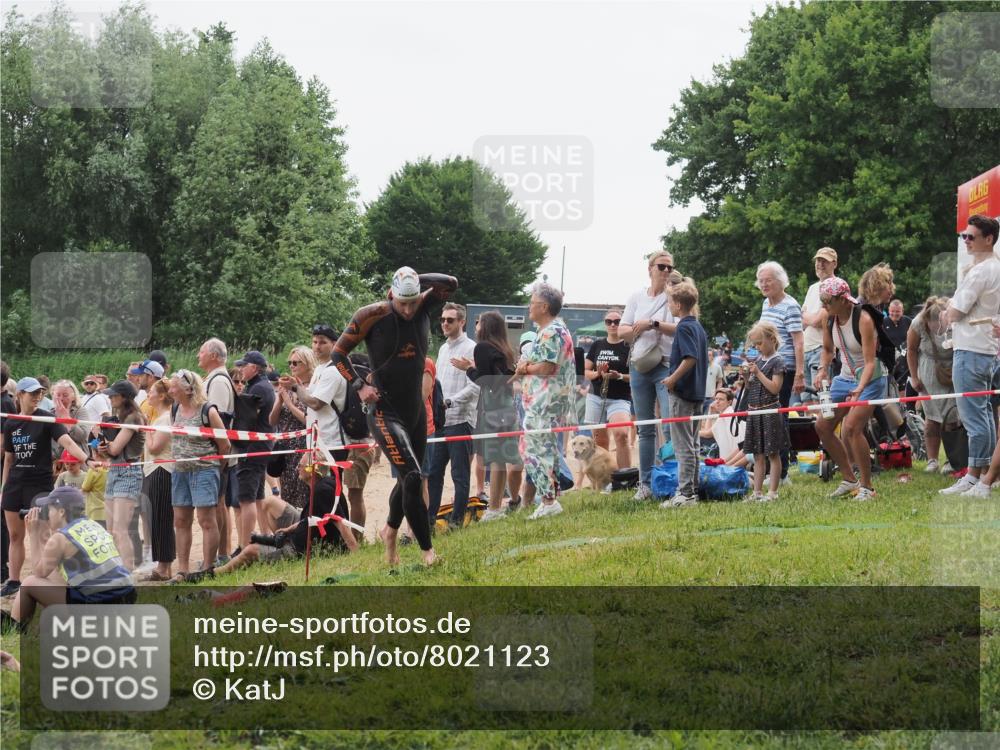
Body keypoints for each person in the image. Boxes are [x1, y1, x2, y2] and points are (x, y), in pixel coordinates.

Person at [332, 266, 457, 567]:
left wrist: (416, 278)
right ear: (391, 295)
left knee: (407, 480)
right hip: (385, 412)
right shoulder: (371, 314)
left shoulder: (425, 304)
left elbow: (451, 283)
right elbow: (338, 354)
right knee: (413, 475)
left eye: (413, 301)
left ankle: (390, 530)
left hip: (414, 413)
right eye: (402, 302)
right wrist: (359, 385)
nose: (408, 308)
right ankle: (427, 551)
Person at [1, 486, 134, 634]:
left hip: (99, 606)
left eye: (49, 509)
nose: (46, 514)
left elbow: (39, 572)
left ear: (61, 511)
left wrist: (33, 533)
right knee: (56, 574)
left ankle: (14, 630)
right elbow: (52, 568)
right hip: (124, 599)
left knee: (29, 583)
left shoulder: (61, 538)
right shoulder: (93, 525)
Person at [214, 455, 358, 575]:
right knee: (271, 503)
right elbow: (312, 518)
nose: (297, 469)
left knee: (251, 550)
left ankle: (216, 573)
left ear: (312, 469)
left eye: (301, 466)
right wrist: (288, 530)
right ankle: (274, 545)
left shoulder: (322, 491)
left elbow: (340, 522)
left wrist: (356, 557)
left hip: (301, 549)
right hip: (305, 536)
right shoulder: (323, 484)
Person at [940, 214, 1000, 497]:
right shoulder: (993, 268)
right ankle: (984, 474)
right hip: (983, 349)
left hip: (972, 350)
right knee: (984, 414)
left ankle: (975, 477)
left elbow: (956, 311)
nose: (966, 241)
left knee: (974, 417)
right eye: (964, 236)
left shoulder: (980, 271)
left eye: (971, 237)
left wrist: (948, 311)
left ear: (988, 239)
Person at [812, 278, 886, 501]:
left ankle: (867, 487)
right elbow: (827, 349)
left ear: (844, 300)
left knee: (852, 427)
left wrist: (860, 388)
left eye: (828, 301)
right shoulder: (829, 318)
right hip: (844, 378)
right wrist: (823, 369)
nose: (824, 305)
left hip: (870, 379)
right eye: (822, 301)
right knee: (822, 426)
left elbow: (870, 362)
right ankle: (848, 479)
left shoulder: (863, 319)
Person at [511, 282, 576, 519]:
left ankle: (549, 500)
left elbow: (548, 367)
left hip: (544, 401)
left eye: (533, 303)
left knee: (534, 448)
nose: (529, 307)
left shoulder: (551, 331)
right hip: (546, 400)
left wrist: (525, 367)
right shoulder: (556, 329)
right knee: (543, 448)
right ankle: (549, 498)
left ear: (545, 307)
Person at [451, 310, 523, 521]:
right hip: (507, 407)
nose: (476, 326)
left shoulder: (482, 347)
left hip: (492, 409)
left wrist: (468, 369)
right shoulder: (505, 349)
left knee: (496, 461)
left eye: (478, 322)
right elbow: (502, 377)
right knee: (506, 459)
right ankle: (506, 502)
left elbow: (487, 382)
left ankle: (494, 509)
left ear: (486, 326)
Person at [619, 251, 678, 500]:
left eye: (669, 267)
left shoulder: (674, 296)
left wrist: (652, 324)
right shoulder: (636, 297)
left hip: (665, 365)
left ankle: (673, 479)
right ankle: (645, 484)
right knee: (645, 428)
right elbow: (622, 329)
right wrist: (638, 328)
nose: (666, 271)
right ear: (650, 269)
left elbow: (681, 327)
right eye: (661, 266)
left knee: (671, 422)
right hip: (640, 366)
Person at [168, 369, 231, 581]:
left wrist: (215, 468)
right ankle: (182, 570)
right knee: (180, 520)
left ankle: (207, 567)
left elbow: (225, 444)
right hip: (180, 472)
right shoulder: (175, 408)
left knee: (206, 520)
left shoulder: (208, 411)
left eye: (174, 385)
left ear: (187, 388)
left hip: (204, 470)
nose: (170, 389)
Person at [428, 303, 479, 528]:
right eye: (442, 320)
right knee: (433, 474)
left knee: (460, 475)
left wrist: (450, 402)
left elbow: (476, 386)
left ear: (462, 322)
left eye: (450, 320)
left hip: (460, 420)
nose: (445, 324)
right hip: (440, 422)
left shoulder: (472, 348)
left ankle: (457, 523)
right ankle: (428, 522)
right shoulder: (442, 349)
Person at [660, 281, 708, 507]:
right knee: (693, 444)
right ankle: (693, 490)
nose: (669, 306)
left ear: (678, 304)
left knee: (683, 445)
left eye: (670, 301)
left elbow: (690, 358)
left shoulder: (685, 327)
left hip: (684, 393)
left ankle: (686, 492)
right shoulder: (697, 326)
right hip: (697, 392)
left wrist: (672, 379)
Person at [756, 260, 804, 481]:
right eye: (761, 281)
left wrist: (801, 373)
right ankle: (771, 469)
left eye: (768, 280)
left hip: (784, 369)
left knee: (778, 418)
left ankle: (782, 472)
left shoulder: (790, 305)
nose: (764, 284)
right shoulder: (766, 304)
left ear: (780, 281)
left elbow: (798, 341)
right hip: (767, 367)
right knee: (767, 418)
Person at [96, 380, 146, 570]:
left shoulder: (134, 417)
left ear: (124, 397)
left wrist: (106, 447)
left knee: (120, 530)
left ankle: (128, 571)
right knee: (111, 530)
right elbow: (112, 451)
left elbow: (116, 448)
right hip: (116, 470)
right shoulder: (125, 418)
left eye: (114, 395)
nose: (110, 398)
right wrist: (104, 449)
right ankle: (117, 570)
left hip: (128, 472)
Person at [198, 337, 238, 562]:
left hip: (217, 453)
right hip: (215, 453)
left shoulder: (219, 381)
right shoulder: (214, 378)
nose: (198, 356)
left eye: (202, 352)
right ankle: (222, 553)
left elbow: (219, 420)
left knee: (218, 504)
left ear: (213, 355)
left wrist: (216, 454)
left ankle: (221, 553)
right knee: (218, 504)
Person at [739, 322, 788, 502]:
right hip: (755, 412)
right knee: (757, 454)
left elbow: (775, 388)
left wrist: (758, 373)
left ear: (772, 340)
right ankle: (757, 492)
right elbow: (752, 387)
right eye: (755, 344)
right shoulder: (758, 361)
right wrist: (746, 377)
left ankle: (773, 492)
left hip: (769, 412)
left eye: (759, 343)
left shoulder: (778, 361)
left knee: (773, 453)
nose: (757, 348)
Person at [906, 296, 955, 474]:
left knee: (953, 418)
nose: (937, 328)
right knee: (932, 418)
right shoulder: (917, 323)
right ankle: (932, 460)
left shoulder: (954, 317)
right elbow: (911, 350)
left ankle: (952, 459)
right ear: (927, 320)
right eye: (934, 324)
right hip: (929, 373)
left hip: (952, 371)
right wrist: (914, 377)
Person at [234, 351, 276, 549]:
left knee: (246, 500)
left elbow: (246, 421)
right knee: (257, 497)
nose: (241, 369)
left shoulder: (258, 388)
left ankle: (245, 546)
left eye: (244, 365)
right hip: (261, 446)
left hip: (252, 447)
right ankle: (264, 537)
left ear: (255, 368)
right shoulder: (264, 385)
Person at [582, 308, 632, 470]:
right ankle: (605, 479)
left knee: (621, 435)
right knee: (600, 441)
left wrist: (618, 376)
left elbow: (637, 377)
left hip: (620, 397)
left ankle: (625, 477)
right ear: (605, 324)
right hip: (596, 397)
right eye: (609, 322)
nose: (612, 325)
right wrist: (599, 373)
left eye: (617, 322)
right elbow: (585, 371)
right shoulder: (597, 344)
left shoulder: (628, 346)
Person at [271, 345, 315, 509]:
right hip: (286, 450)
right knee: (287, 497)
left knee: (305, 496)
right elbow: (272, 421)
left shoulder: (311, 388)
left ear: (308, 363)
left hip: (304, 448)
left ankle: (305, 531)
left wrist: (288, 404)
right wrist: (280, 401)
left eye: (296, 363)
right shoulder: (288, 388)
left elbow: (308, 420)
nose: (291, 366)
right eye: (290, 362)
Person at [140, 379, 175, 581]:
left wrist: (146, 430)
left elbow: (155, 448)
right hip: (153, 469)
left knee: (161, 519)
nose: (148, 394)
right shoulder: (160, 418)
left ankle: (164, 567)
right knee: (157, 519)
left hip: (161, 470)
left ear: (162, 396)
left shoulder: (164, 419)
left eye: (151, 391)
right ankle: (163, 566)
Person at [801, 247, 838, 390]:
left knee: (821, 396)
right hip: (807, 348)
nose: (820, 264)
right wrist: (814, 317)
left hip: (822, 349)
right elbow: (802, 317)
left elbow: (822, 319)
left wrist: (810, 318)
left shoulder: (836, 285)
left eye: (825, 261)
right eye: (818, 260)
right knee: (807, 400)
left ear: (834, 264)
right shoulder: (812, 288)